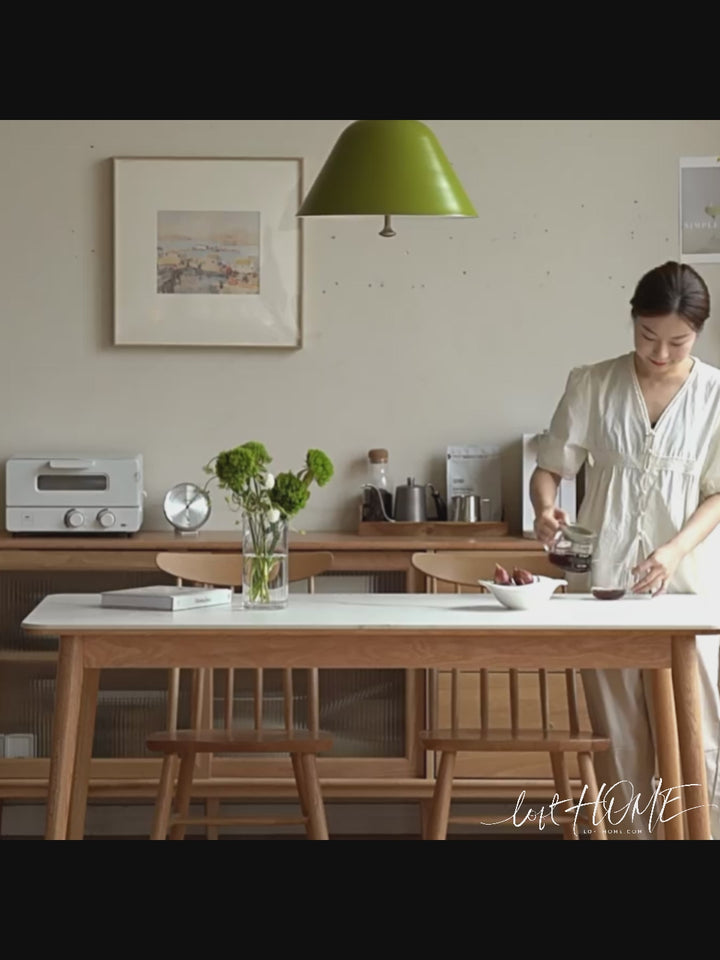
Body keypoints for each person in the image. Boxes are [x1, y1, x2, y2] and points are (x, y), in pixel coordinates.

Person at [530, 260, 720, 840]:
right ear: (633, 321)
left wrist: (672, 550)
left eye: (677, 341)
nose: (659, 353)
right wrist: (545, 509)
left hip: (688, 588)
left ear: (699, 333)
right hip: (605, 585)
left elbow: (717, 493)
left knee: (701, 738)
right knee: (620, 738)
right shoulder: (592, 382)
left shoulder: (716, 395)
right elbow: (550, 468)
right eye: (647, 336)